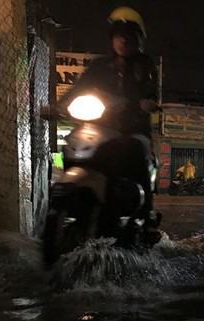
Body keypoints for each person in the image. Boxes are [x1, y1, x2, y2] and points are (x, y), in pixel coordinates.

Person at [57, 6, 162, 243]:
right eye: (119, 34)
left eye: (130, 35)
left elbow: (153, 93)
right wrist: (57, 106)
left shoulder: (146, 66)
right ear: (112, 39)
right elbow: (79, 88)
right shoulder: (98, 67)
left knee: (134, 150)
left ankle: (146, 218)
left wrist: (147, 103)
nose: (124, 39)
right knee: (74, 143)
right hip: (100, 128)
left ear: (139, 40)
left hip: (133, 130)